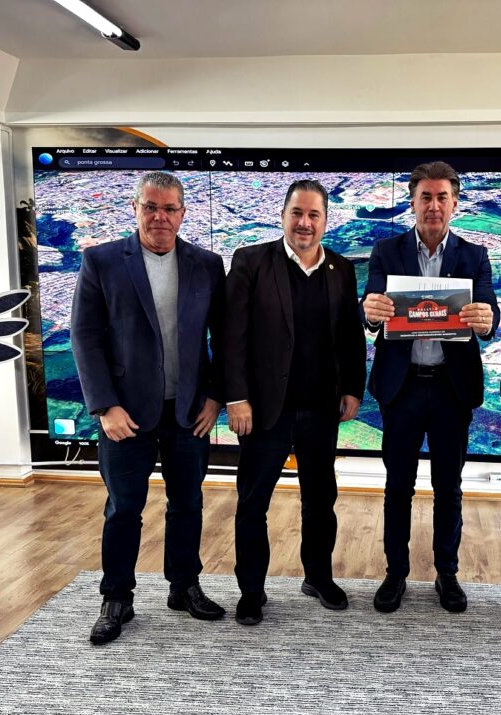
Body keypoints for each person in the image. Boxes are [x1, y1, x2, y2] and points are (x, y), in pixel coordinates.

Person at [71, 171, 227, 645]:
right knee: (123, 509)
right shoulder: (101, 261)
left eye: (169, 208)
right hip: (125, 414)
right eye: (151, 207)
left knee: (188, 504)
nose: (160, 217)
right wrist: (105, 407)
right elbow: (85, 336)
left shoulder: (206, 264)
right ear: (135, 208)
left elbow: (224, 337)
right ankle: (116, 597)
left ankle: (184, 587)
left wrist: (215, 396)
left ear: (183, 213)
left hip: (188, 411)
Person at [224, 179, 366, 626]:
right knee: (253, 503)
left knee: (321, 500)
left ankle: (318, 577)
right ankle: (252, 590)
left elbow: (351, 336)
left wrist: (353, 388)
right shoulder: (251, 261)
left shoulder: (341, 269)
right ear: (283, 216)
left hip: (321, 410)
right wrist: (236, 398)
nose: (305, 223)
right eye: (297, 213)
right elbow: (230, 335)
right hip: (265, 410)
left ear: (325, 220)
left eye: (313, 215)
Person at [361, 161, 499, 614]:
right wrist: (369, 312)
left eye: (442, 197)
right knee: (397, 486)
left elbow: (489, 313)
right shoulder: (386, 251)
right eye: (425, 197)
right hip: (401, 389)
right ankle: (395, 573)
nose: (433, 205)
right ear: (413, 202)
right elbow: (370, 309)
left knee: (449, 488)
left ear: (454, 204)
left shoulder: (474, 255)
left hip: (450, 389)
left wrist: (487, 320)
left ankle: (447, 573)